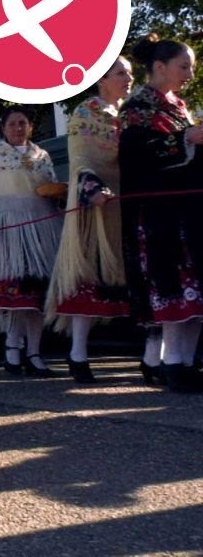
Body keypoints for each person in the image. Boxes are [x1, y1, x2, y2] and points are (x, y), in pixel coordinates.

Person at [119, 35, 203, 393]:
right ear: (160, 67)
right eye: (184, 66)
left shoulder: (180, 106)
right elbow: (137, 157)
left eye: (192, 67)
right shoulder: (136, 108)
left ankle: (185, 362)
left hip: (188, 210)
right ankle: (171, 364)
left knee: (194, 288)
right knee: (173, 285)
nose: (189, 73)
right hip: (158, 215)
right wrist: (187, 139)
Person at [45, 57, 134, 383]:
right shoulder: (85, 113)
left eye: (130, 73)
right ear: (102, 80)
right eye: (121, 73)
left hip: (126, 207)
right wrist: (93, 189)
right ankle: (77, 353)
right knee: (89, 277)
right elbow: (81, 160)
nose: (129, 78)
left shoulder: (129, 115)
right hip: (95, 207)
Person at [0, 108, 63, 377]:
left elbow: (51, 186)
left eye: (22, 123)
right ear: (4, 128)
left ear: (30, 127)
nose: (18, 128)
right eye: (12, 124)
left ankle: (34, 353)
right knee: (15, 295)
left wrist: (59, 194)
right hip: (7, 233)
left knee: (37, 295)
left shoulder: (41, 156)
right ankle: (12, 350)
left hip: (42, 229)